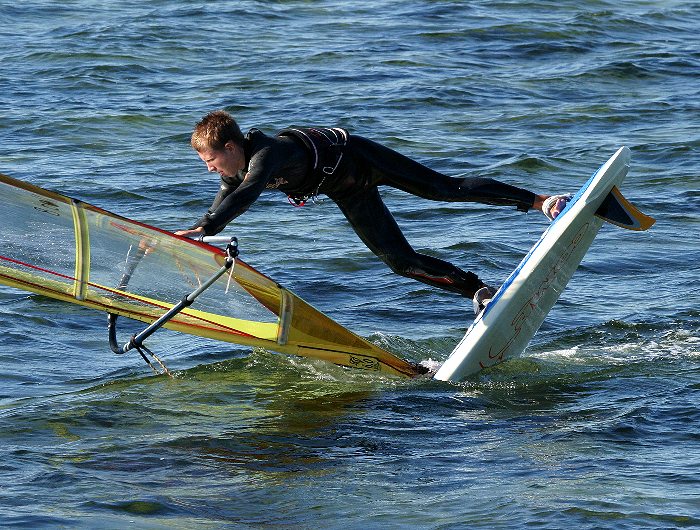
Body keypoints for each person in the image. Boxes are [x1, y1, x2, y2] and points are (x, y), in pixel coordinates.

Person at [175, 110, 568, 312]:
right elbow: (225, 204)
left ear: (230, 147)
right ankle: (479, 291)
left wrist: (208, 224)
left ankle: (541, 202)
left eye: (210, 159)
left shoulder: (267, 153)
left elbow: (247, 194)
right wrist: (195, 234)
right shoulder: (235, 172)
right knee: (400, 262)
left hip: (361, 159)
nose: (209, 168)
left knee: (444, 190)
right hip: (347, 191)